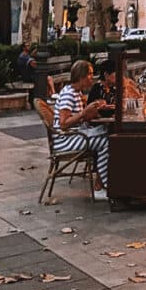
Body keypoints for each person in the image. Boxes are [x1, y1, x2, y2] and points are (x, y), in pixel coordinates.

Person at [52, 60, 111, 200]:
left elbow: (79, 117)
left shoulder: (76, 93)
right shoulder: (69, 94)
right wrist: (84, 113)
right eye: (90, 74)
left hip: (77, 135)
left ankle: (104, 182)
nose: (92, 77)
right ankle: (100, 186)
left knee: (109, 135)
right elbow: (64, 123)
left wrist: (95, 110)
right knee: (107, 142)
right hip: (66, 139)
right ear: (81, 76)